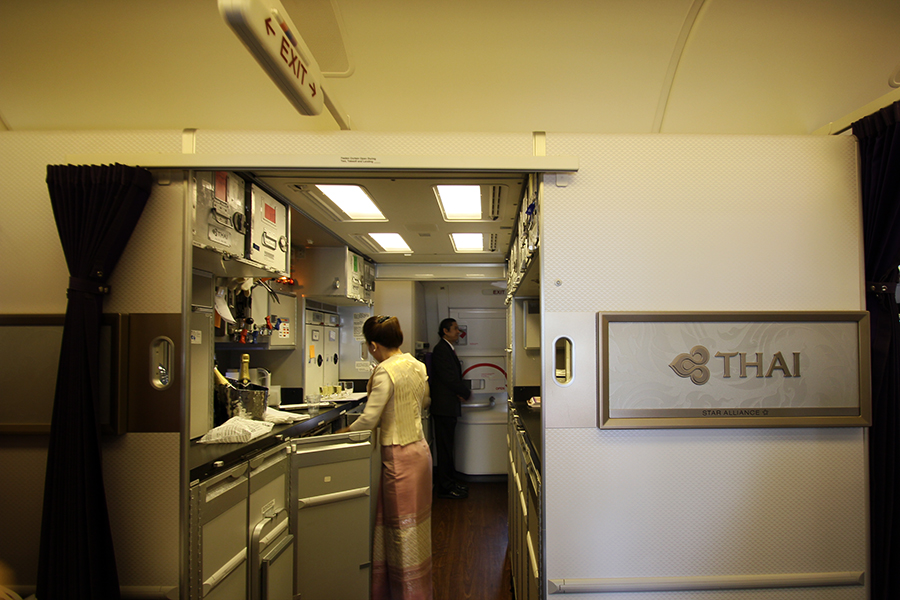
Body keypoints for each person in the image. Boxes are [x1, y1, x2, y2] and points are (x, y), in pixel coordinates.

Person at [342, 315, 433, 600]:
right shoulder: (416, 365)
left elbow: (369, 419)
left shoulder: (384, 371)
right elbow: (425, 401)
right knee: (416, 526)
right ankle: (413, 590)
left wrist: (344, 433)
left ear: (373, 345)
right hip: (420, 450)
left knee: (400, 530)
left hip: (398, 454)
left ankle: (405, 593)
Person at [429, 318, 471, 499]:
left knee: (448, 447)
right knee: (445, 448)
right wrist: (465, 392)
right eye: (455, 329)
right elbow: (449, 378)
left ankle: (450, 483)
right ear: (445, 331)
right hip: (443, 407)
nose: (458, 332)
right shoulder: (441, 350)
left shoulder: (447, 349)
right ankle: (445, 487)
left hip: (447, 406)